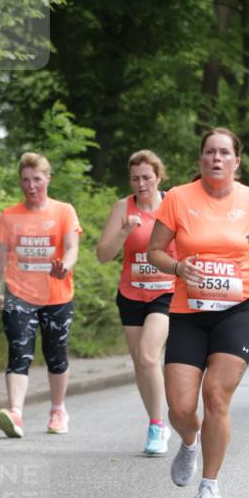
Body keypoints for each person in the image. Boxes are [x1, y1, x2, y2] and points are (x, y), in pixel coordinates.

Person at [147, 128, 249, 498]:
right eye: (210, 152)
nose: (216, 159)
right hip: (188, 311)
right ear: (201, 160)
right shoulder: (177, 198)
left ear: (236, 162)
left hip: (238, 309)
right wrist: (178, 266)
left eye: (224, 153)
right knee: (179, 407)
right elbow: (153, 251)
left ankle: (209, 485)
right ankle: (189, 442)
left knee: (216, 397)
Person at [0, 152, 81, 438]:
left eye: (37, 180)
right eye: (26, 180)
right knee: (19, 352)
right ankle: (15, 413)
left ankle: (58, 410)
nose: (31, 186)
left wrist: (64, 267)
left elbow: (72, 248)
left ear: (48, 179)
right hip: (19, 295)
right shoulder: (9, 216)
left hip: (57, 296)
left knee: (55, 355)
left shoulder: (63, 211)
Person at [96, 150, 175, 455]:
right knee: (141, 365)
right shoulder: (122, 208)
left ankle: (157, 426)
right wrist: (125, 230)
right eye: (135, 178)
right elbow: (103, 255)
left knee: (148, 356)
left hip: (166, 292)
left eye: (147, 177)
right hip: (131, 294)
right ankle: (156, 421)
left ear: (159, 176)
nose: (141, 184)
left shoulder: (172, 205)